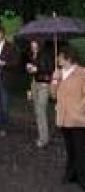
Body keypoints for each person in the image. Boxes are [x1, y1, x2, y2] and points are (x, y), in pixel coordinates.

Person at [50, 46, 85, 190]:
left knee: (81, 150)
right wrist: (55, 80)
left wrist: (80, 110)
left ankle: (83, 179)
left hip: (78, 119)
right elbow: (53, 95)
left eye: (60, 57)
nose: (58, 59)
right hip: (63, 118)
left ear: (69, 58)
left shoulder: (82, 73)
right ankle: (71, 175)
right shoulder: (58, 73)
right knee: (70, 149)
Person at [26, 40, 53, 148]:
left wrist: (37, 69)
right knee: (37, 111)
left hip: (44, 85)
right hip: (34, 84)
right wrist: (29, 68)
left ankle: (44, 139)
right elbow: (33, 73)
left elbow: (50, 69)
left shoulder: (46, 55)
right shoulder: (33, 55)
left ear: (39, 44)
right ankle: (41, 135)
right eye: (32, 46)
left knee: (41, 110)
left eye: (35, 45)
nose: (33, 47)